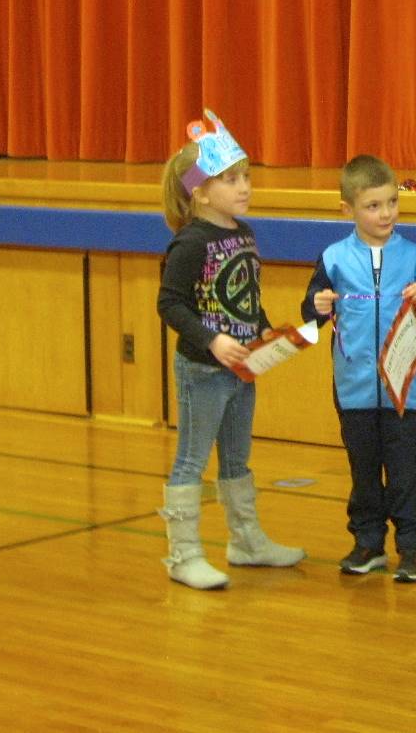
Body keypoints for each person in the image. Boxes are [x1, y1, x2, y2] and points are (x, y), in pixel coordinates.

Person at [156, 110, 306, 590]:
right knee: (191, 460)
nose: (244, 187)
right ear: (199, 191)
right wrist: (213, 340)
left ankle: (246, 541)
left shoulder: (243, 234)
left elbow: (244, 297)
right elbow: (170, 304)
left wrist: (264, 333)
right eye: (231, 180)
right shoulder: (191, 242)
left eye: (246, 178)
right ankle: (183, 555)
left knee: (237, 459)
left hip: (242, 370)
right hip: (204, 369)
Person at [301, 155, 416, 582]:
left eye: (392, 203)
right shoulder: (333, 258)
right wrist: (318, 305)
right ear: (347, 209)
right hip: (353, 386)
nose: (385, 214)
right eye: (373, 206)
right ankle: (368, 542)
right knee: (362, 468)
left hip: (404, 386)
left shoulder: (415, 255)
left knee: (404, 470)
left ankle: (410, 546)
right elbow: (311, 313)